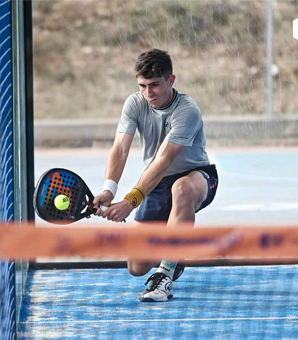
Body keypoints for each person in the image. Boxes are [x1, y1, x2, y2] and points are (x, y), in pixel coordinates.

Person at [92, 49, 218, 302]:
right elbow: (120, 148)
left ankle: (165, 274)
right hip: (157, 183)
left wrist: (130, 202)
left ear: (171, 81)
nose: (148, 93)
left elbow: (164, 160)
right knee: (137, 266)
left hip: (195, 177)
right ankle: (177, 248)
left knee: (181, 189)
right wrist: (109, 190)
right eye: (142, 86)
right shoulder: (135, 103)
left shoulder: (187, 110)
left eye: (155, 85)